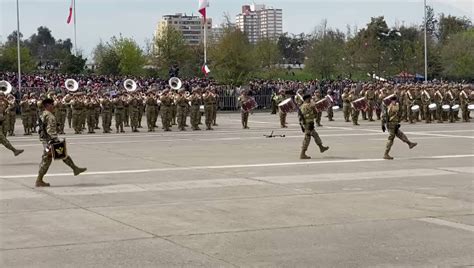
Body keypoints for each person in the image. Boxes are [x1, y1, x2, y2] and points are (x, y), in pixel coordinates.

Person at [36, 98, 87, 187]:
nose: (53, 106)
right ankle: (39, 180)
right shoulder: (50, 116)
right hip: (50, 141)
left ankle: (75, 169)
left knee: (62, 155)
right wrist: (54, 140)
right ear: (48, 105)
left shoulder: (43, 114)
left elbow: (40, 127)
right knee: (47, 160)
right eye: (52, 105)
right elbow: (50, 129)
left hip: (45, 140)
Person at [381, 95, 417, 160]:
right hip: (391, 125)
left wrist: (397, 123)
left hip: (394, 124)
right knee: (391, 139)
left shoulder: (392, 106)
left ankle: (410, 144)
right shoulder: (391, 107)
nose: (395, 102)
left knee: (401, 135)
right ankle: (386, 154)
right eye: (393, 101)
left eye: (395, 100)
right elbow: (384, 116)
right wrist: (382, 125)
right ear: (391, 101)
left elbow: (397, 115)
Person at [299, 94, 329, 159]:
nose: (311, 100)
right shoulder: (305, 106)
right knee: (307, 138)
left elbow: (315, 113)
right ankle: (302, 154)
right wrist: (313, 106)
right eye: (310, 99)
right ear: (306, 99)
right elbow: (309, 113)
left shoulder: (308, 105)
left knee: (315, 135)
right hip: (307, 124)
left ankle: (321, 147)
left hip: (310, 123)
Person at [0, 92, 24, 156]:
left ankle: (15, 151)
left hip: (2, 122)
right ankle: (15, 150)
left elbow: (12, 105)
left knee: (3, 138)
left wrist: (8, 107)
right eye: (0, 95)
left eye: (3, 95)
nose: (1, 97)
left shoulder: (5, 101)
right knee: (3, 139)